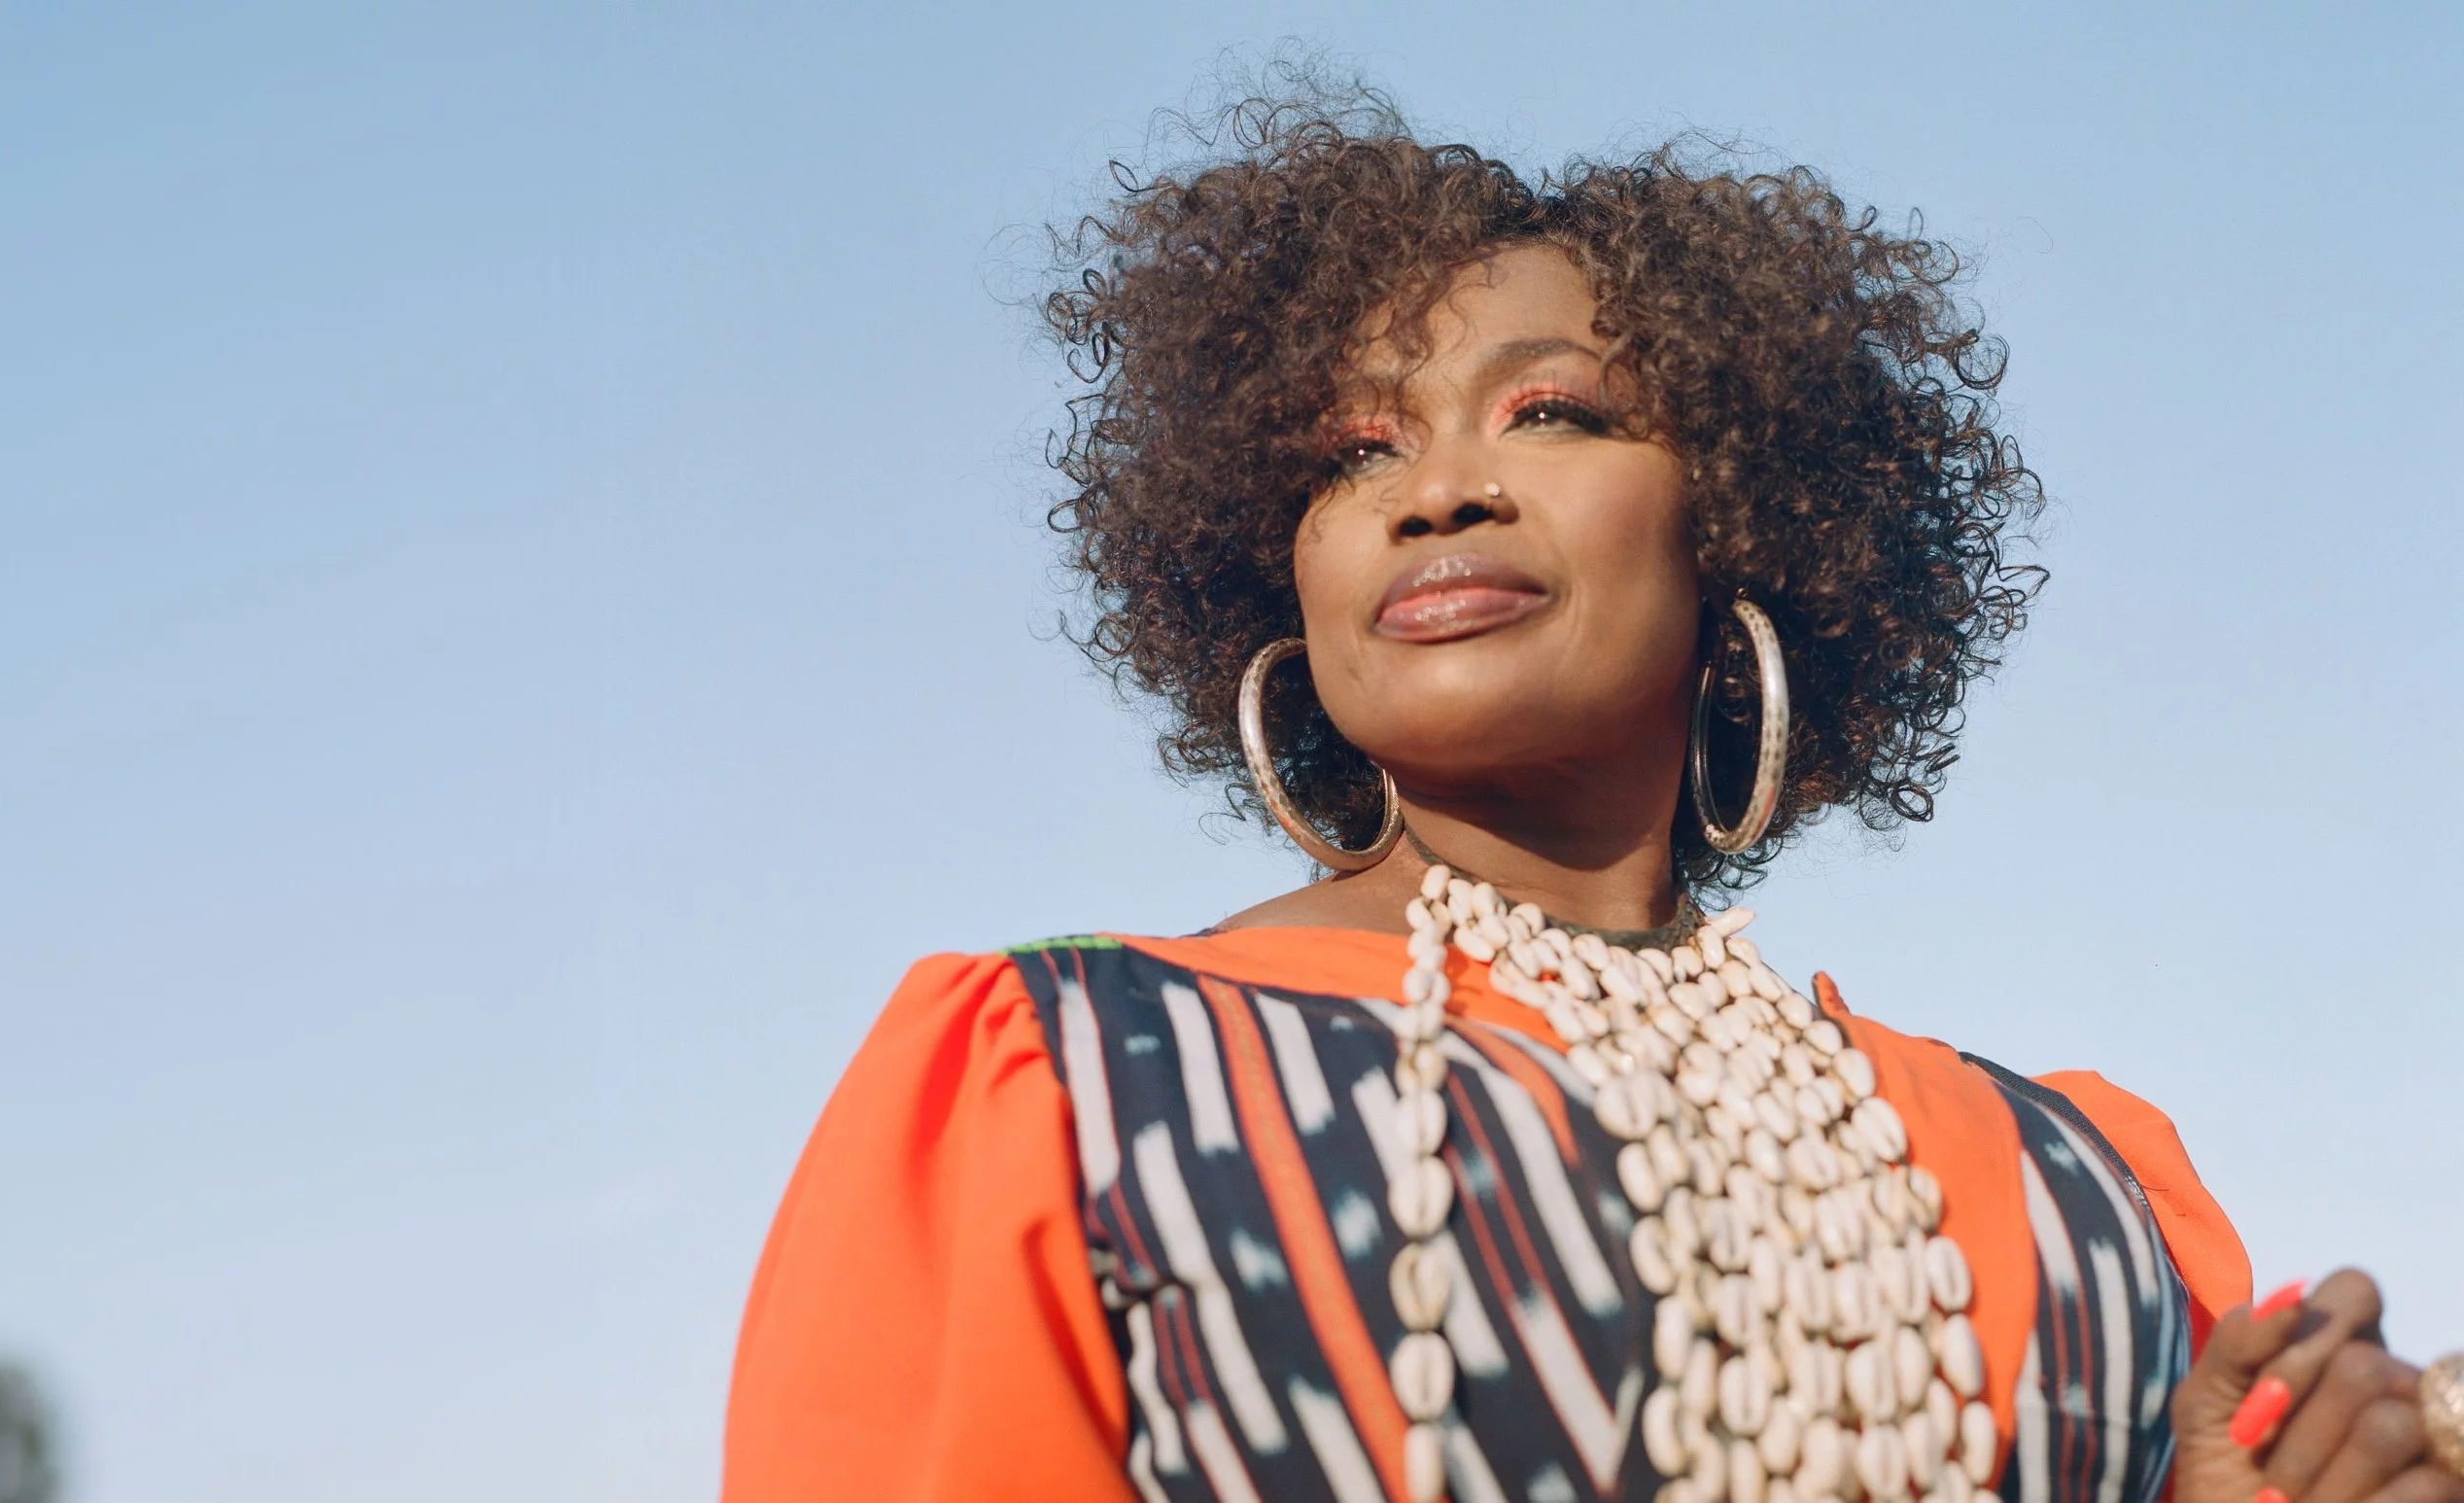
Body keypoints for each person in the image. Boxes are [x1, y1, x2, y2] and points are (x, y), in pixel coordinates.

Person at [719, 80, 2464, 1503]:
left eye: (1548, 412)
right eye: (1355, 449)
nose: (1437, 492)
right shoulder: (1071, 1080)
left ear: (1746, 521)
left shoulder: (2076, 1180)